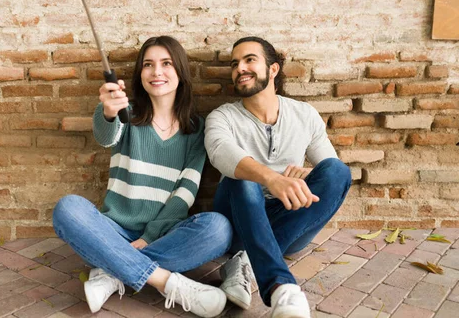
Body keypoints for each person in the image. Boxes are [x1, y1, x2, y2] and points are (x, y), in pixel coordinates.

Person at [53, 36, 232, 318]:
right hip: (113, 230)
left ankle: (113, 271)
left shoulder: (196, 128)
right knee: (68, 209)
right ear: (140, 74)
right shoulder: (128, 114)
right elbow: (105, 136)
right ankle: (165, 281)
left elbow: (186, 191)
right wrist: (109, 110)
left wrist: (149, 237)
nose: (156, 72)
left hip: (165, 233)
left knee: (218, 228)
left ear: (181, 72)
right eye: (148, 65)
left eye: (166, 64)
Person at [204, 37, 351, 318]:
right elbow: (221, 154)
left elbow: (329, 166)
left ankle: (246, 262)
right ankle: (282, 288)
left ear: (273, 70)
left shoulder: (304, 114)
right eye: (235, 64)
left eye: (249, 60)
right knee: (241, 176)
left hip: (291, 220)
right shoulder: (222, 117)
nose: (240, 69)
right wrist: (271, 178)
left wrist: (304, 174)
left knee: (338, 172)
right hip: (238, 218)